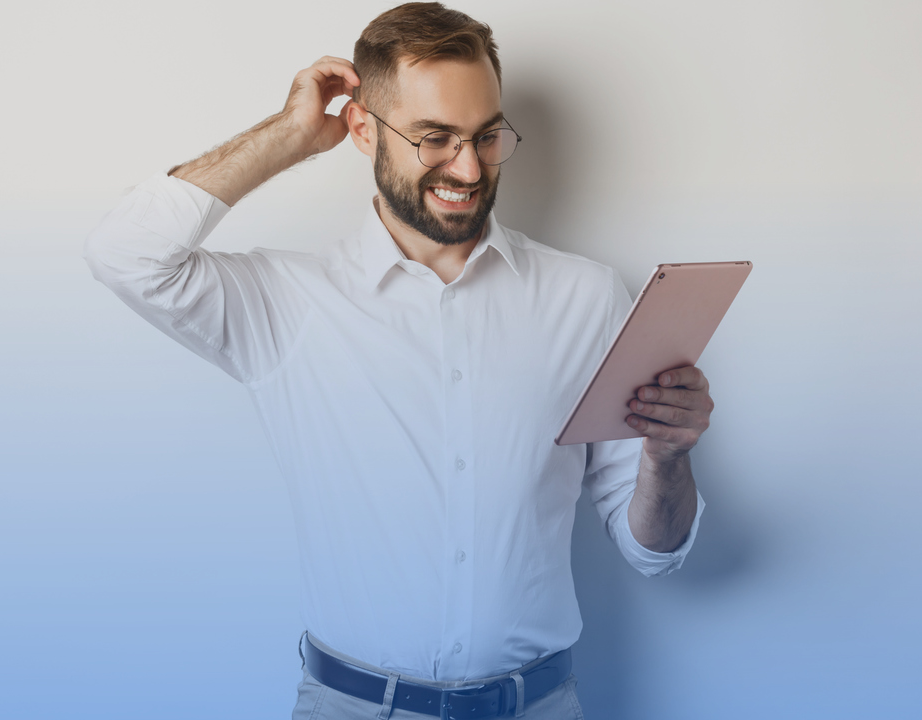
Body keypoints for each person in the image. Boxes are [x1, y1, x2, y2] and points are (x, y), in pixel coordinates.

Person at [83, 3, 713, 718]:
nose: (469, 167)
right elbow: (125, 254)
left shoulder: (588, 297)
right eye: (434, 138)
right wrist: (289, 135)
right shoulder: (285, 302)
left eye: (486, 136)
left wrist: (668, 456)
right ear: (362, 130)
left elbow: (653, 550)